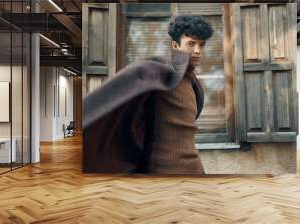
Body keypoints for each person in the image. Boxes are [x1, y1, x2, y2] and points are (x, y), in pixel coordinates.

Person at [82, 15, 214, 174]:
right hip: (162, 172)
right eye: (191, 44)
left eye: (202, 44)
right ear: (175, 45)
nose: (198, 50)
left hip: (195, 169)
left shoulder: (193, 83)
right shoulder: (160, 73)